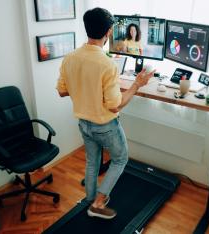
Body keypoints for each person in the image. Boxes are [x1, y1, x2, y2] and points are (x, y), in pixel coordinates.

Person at [56, 7, 155, 219]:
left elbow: (62, 91)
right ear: (109, 32)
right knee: (120, 159)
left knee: (92, 162)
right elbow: (114, 106)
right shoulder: (107, 64)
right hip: (105, 126)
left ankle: (90, 200)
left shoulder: (70, 58)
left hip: (83, 123)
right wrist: (137, 84)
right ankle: (99, 204)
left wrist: (83, 88)